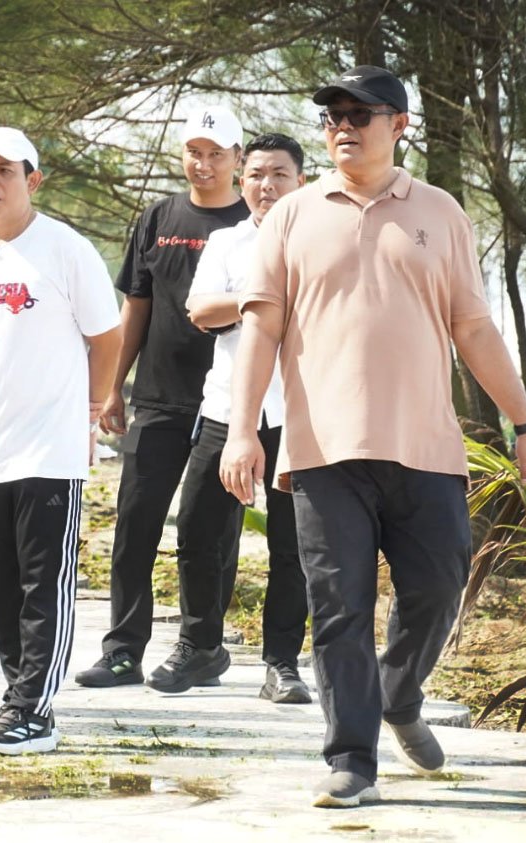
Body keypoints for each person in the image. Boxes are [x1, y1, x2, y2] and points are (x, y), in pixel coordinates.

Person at [219, 66, 526, 808]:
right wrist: (243, 430)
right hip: (321, 452)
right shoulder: (290, 216)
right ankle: (350, 759)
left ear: (398, 124)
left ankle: (400, 694)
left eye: (359, 113)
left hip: (425, 448)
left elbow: (472, 325)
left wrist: (525, 425)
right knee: (337, 606)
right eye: (332, 114)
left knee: (436, 589)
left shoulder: (439, 213)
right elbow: (261, 325)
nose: (342, 125)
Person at [0, 127, 121, 755]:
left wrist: (92, 408)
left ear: (33, 180)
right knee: (1, 587)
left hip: (50, 449)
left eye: (3, 172)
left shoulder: (68, 251)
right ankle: (19, 700)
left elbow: (107, 337)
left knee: (44, 586)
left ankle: (34, 713)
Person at [76, 106, 249, 692]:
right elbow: (137, 307)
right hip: (157, 399)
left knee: (211, 535)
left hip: (227, 406)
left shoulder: (255, 220)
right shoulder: (158, 217)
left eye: (216, 154)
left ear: (237, 157)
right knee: (135, 526)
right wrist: (111, 390)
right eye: (193, 153)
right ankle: (122, 650)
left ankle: (205, 646)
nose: (203, 165)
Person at [184, 132, 310, 704]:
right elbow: (200, 310)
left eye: (279, 174)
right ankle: (200, 646)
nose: (266, 185)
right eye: (256, 174)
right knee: (198, 532)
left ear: (300, 182)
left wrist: (243, 303)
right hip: (225, 410)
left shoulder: (317, 241)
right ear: (243, 181)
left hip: (299, 413)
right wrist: (261, 300)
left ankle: (282, 664)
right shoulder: (226, 242)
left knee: (294, 546)